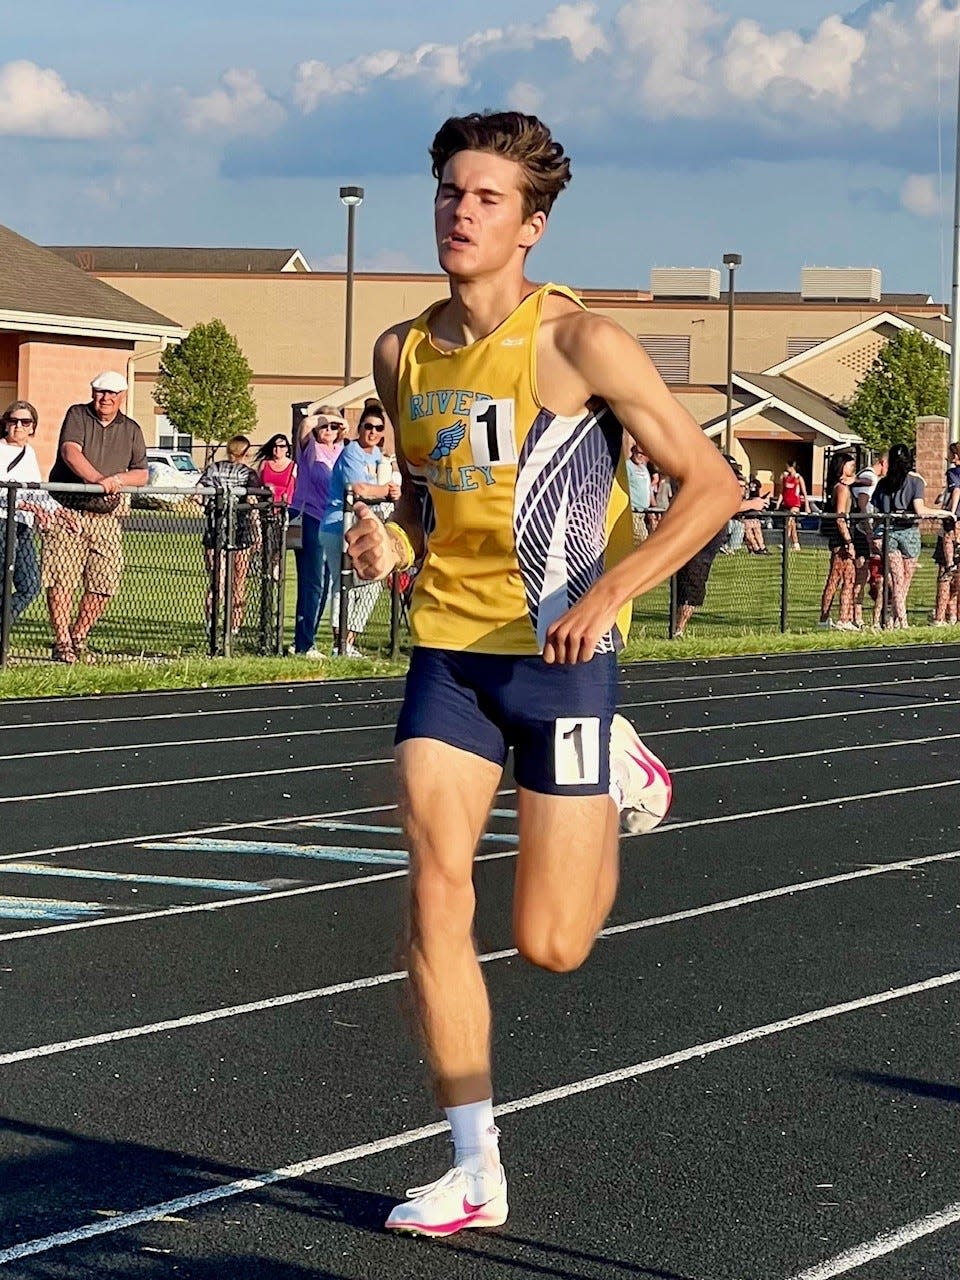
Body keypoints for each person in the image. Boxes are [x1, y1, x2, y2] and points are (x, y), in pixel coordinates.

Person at [342, 110, 740, 1236]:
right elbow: (425, 502)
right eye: (449, 193)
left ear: (533, 223)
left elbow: (713, 484)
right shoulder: (401, 352)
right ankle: (474, 1164)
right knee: (433, 895)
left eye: (485, 199)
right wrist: (395, 545)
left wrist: (612, 593)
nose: (459, 214)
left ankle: (617, 769)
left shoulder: (580, 346)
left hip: (563, 664)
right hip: (451, 658)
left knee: (551, 943)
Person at [44, 371, 148, 663]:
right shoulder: (77, 415)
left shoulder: (131, 429)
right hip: (68, 512)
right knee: (61, 579)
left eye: (112, 393)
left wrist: (116, 480)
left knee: (105, 582)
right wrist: (99, 481)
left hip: (106, 518)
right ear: (93, 392)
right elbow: (70, 452)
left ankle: (79, 636)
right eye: (101, 391)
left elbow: (141, 473)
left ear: (122, 396)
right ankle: (62, 641)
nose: (106, 398)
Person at [319, 401, 399, 658]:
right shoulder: (352, 451)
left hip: (364, 525)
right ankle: (339, 643)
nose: (372, 432)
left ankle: (350, 640)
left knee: (372, 580)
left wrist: (391, 490)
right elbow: (359, 488)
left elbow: (382, 485)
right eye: (368, 426)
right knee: (343, 580)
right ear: (360, 428)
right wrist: (386, 491)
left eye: (378, 428)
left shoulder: (377, 456)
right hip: (338, 525)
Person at [0, 400, 76, 625]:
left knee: (30, 586)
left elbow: (35, 491)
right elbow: (7, 493)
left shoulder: (29, 453)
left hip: (22, 526)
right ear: (5, 424)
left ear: (33, 427)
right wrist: (28, 506)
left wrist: (61, 512)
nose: (19, 426)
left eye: (25, 422)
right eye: (13, 421)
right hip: (3, 523)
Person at [870, 442, 950, 628]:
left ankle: (894, 619)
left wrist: (871, 534)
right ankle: (901, 621)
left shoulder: (883, 483)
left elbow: (876, 511)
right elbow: (920, 509)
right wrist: (944, 513)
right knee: (903, 580)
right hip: (908, 532)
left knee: (898, 580)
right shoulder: (915, 482)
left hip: (888, 532)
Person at [289, 405, 345, 657]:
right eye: (325, 426)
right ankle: (304, 643)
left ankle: (306, 638)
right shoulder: (309, 449)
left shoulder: (342, 451)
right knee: (312, 582)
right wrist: (321, 417)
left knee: (325, 582)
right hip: (310, 517)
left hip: (333, 521)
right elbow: (304, 426)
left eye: (335, 426)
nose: (330, 431)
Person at [197, 434, 264, 637]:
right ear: (245, 452)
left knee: (217, 581)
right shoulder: (248, 474)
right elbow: (253, 503)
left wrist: (210, 505)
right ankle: (233, 626)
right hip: (240, 530)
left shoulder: (213, 469)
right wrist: (258, 530)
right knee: (238, 580)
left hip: (215, 529)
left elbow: (198, 494)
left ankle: (211, 623)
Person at [817, 450, 858, 630]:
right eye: (850, 464)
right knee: (838, 579)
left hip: (840, 540)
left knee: (846, 578)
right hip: (841, 541)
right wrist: (848, 542)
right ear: (842, 466)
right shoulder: (841, 489)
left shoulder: (842, 486)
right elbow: (840, 518)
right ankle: (832, 618)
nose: (853, 467)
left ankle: (838, 618)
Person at [850, 451, 887, 628]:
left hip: (873, 531)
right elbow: (863, 506)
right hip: (863, 533)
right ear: (883, 462)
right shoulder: (868, 476)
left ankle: (875, 619)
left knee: (878, 577)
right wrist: (869, 531)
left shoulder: (875, 480)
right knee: (861, 575)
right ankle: (856, 616)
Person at [777, 460, 809, 551]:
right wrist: (778, 503)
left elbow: (804, 493)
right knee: (792, 524)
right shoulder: (784, 477)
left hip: (795, 503)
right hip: (786, 503)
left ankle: (785, 542)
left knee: (790, 521)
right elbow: (781, 492)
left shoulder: (798, 478)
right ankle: (796, 543)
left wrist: (807, 505)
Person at [626, 443, 650, 545]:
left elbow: (647, 488)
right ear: (633, 451)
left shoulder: (644, 469)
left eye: (643, 454)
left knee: (639, 542)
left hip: (643, 512)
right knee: (643, 541)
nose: (640, 456)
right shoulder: (628, 466)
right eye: (638, 453)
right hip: (633, 511)